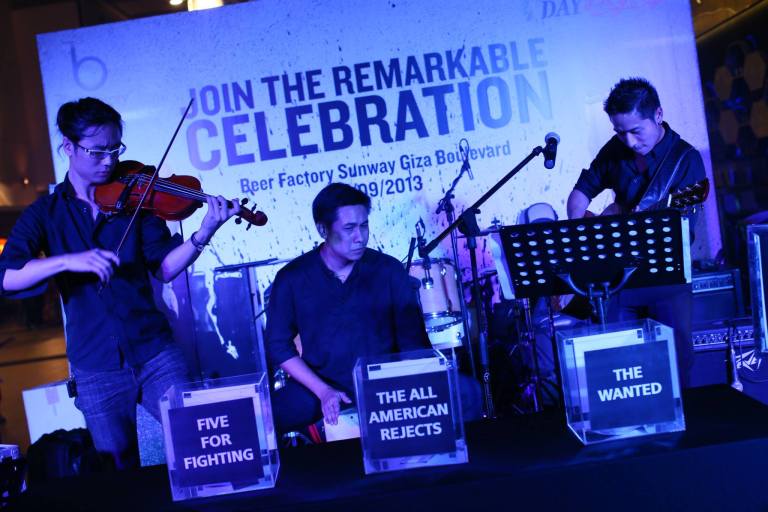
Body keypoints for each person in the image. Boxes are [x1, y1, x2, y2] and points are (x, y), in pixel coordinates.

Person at [0, 97, 240, 469]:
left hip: (155, 350)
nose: (109, 161)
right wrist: (66, 260)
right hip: (95, 365)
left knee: (198, 442)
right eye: (97, 152)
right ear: (68, 146)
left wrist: (203, 232)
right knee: (118, 468)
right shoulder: (45, 213)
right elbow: (8, 277)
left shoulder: (137, 195)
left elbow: (163, 268)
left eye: (115, 149)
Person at [266, 183, 480, 434]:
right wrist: (323, 391)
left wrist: (416, 382)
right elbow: (278, 346)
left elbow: (413, 343)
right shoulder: (292, 278)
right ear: (323, 229)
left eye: (364, 225)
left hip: (388, 378)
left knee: (468, 393)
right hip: (322, 382)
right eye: (349, 228)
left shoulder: (387, 269)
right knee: (267, 417)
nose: (360, 237)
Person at [566, 77, 706, 386]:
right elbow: (580, 194)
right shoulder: (616, 149)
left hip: (666, 280)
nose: (628, 141)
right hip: (620, 282)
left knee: (675, 368)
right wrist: (584, 232)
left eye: (635, 131)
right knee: (618, 367)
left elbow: (683, 231)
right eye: (620, 132)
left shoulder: (686, 160)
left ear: (658, 115)